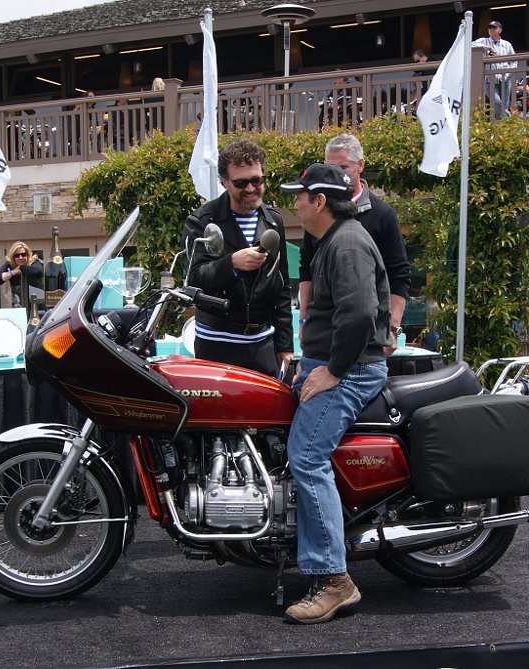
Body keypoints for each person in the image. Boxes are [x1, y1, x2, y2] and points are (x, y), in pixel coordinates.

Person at [279, 163, 390, 624]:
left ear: (320, 201)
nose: (295, 204)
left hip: (352, 369)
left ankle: (334, 579)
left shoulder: (346, 243)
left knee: (306, 457)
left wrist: (333, 370)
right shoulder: (332, 240)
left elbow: (360, 313)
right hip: (329, 363)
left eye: (301, 196)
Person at [181, 138, 293, 377]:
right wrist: (231, 263)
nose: (251, 188)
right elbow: (193, 278)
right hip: (217, 344)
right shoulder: (202, 221)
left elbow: (282, 287)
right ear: (224, 182)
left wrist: (285, 344)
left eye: (256, 180)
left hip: (263, 343)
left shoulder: (273, 221)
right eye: (241, 183)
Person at [299, 134, 410, 357]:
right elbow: (307, 269)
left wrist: (392, 328)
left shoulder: (382, 215)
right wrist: (303, 322)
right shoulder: (317, 214)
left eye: (343, 167)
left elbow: (399, 274)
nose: (337, 175)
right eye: (331, 168)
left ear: (360, 166)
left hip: (367, 339)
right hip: (324, 335)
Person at [472, 21, 517, 119]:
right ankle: (507, 120)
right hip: (489, 78)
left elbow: (514, 61)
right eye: (490, 27)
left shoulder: (506, 44)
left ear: (500, 30)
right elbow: (470, 45)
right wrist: (488, 48)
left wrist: (509, 73)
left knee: (505, 104)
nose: (491, 29)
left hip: (505, 77)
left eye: (494, 27)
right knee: (496, 102)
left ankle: (501, 124)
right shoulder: (483, 41)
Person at [0, 241, 43, 306]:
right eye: (17, 255)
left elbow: (38, 271)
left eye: (23, 254)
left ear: (27, 255)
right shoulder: (10, 265)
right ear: (13, 257)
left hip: (37, 303)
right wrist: (14, 272)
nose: (20, 257)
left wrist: (21, 268)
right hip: (19, 304)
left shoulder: (34, 262)